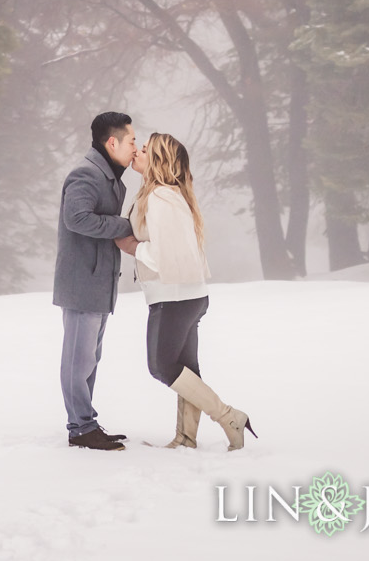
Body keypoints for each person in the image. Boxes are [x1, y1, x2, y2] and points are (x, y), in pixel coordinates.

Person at [127, 132, 256, 450]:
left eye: (144, 150)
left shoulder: (160, 198)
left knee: (161, 366)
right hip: (187, 295)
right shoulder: (168, 195)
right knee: (186, 369)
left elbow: (162, 254)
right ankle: (186, 438)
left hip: (174, 296)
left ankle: (228, 417)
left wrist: (132, 247)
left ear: (157, 159)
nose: (137, 153)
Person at [53, 111, 138, 450]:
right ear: (112, 142)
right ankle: (81, 428)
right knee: (78, 360)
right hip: (82, 284)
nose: (136, 147)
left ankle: (85, 423)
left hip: (98, 283)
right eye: (131, 141)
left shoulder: (109, 178)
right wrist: (125, 226)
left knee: (89, 359)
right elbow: (76, 219)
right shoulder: (87, 174)